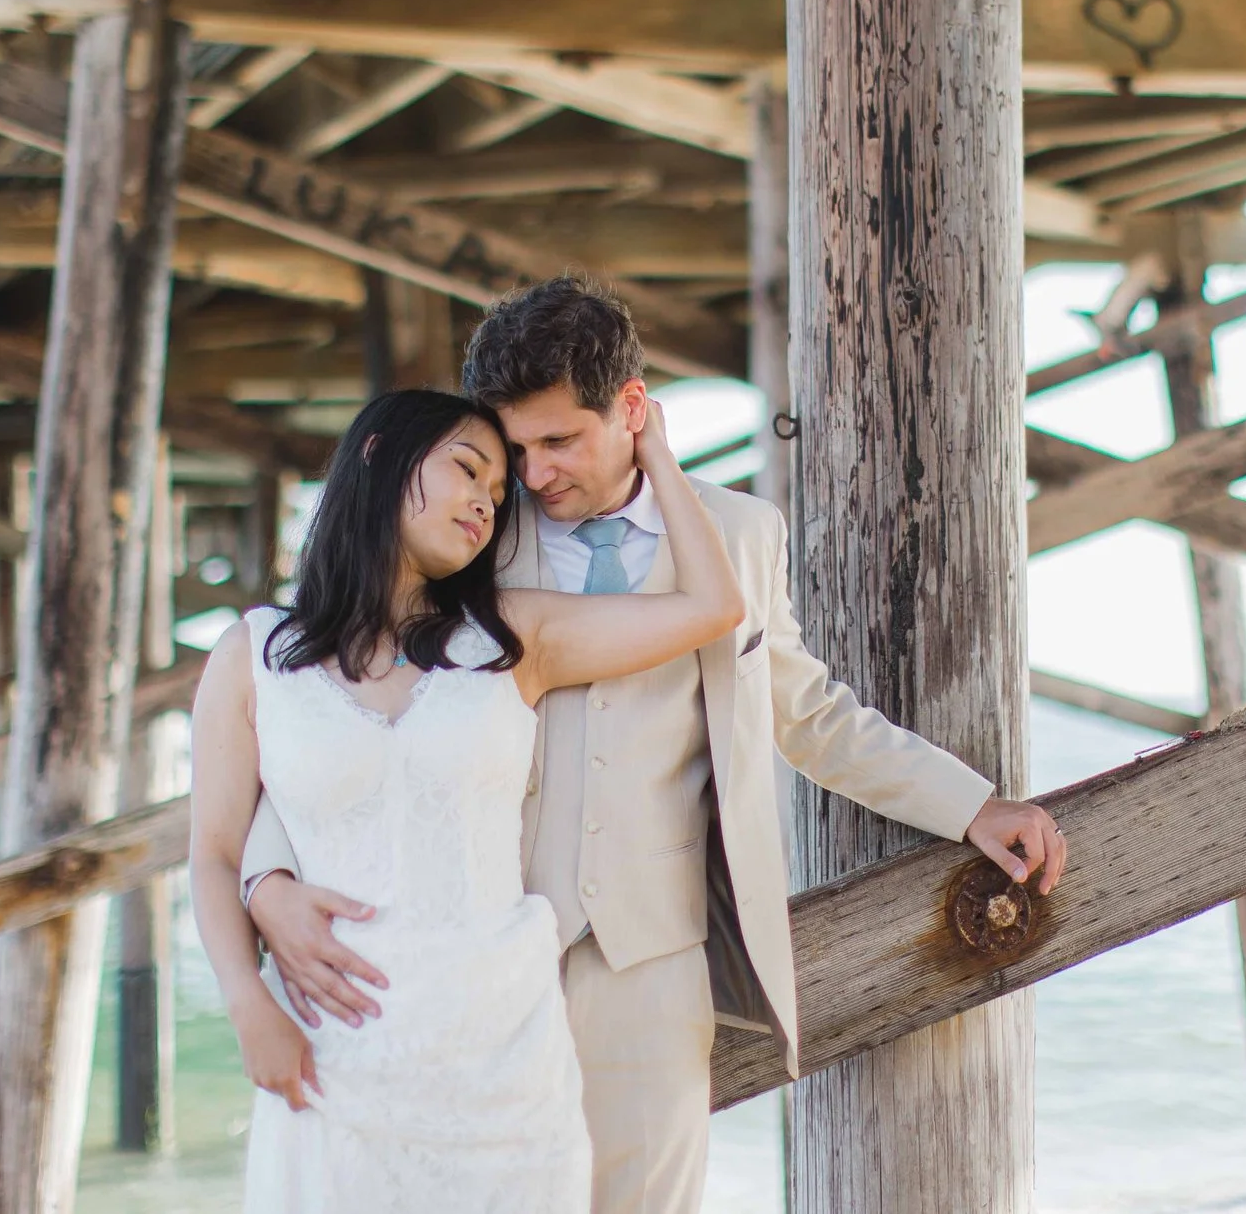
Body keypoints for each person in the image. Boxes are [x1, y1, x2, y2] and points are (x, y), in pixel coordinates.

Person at [241, 276, 1068, 1214]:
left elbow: (810, 713)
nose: (533, 473)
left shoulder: (739, 535)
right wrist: (265, 881)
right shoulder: (473, 534)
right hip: (479, 951)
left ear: (631, 408)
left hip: (652, 959)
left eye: (560, 441)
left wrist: (972, 804)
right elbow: (329, 718)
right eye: (517, 447)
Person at [188, 385, 747, 1213]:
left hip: (502, 1065)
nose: (488, 502)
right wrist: (246, 1001)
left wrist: (654, 451)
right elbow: (214, 852)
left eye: (496, 494)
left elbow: (713, 606)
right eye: (467, 469)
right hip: (332, 1058)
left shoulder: (513, 634)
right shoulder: (253, 653)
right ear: (378, 452)